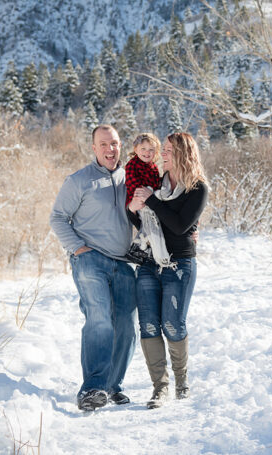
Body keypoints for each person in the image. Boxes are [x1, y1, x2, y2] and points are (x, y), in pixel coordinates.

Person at [50, 124, 137, 412]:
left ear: (120, 144)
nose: (110, 149)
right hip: (91, 260)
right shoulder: (78, 181)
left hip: (124, 262)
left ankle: (112, 387)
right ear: (94, 148)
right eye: (103, 144)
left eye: (114, 143)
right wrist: (77, 248)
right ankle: (92, 388)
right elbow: (58, 218)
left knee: (125, 325)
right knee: (99, 319)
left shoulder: (132, 178)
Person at [127, 132, 208, 409]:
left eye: (170, 150)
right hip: (149, 262)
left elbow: (179, 225)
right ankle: (160, 387)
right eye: (165, 149)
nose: (163, 154)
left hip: (179, 265)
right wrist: (133, 206)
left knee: (173, 324)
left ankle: (182, 381)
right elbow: (139, 219)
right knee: (149, 325)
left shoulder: (197, 188)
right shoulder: (155, 182)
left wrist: (151, 200)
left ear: (184, 153)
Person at [124, 133, 172, 268]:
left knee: (153, 226)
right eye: (143, 149)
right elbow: (133, 184)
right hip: (138, 199)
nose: (147, 153)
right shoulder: (132, 165)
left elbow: (157, 184)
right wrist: (146, 194)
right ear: (136, 149)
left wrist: (155, 194)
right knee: (148, 224)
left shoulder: (154, 167)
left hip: (151, 199)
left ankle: (149, 249)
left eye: (151, 150)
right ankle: (138, 249)